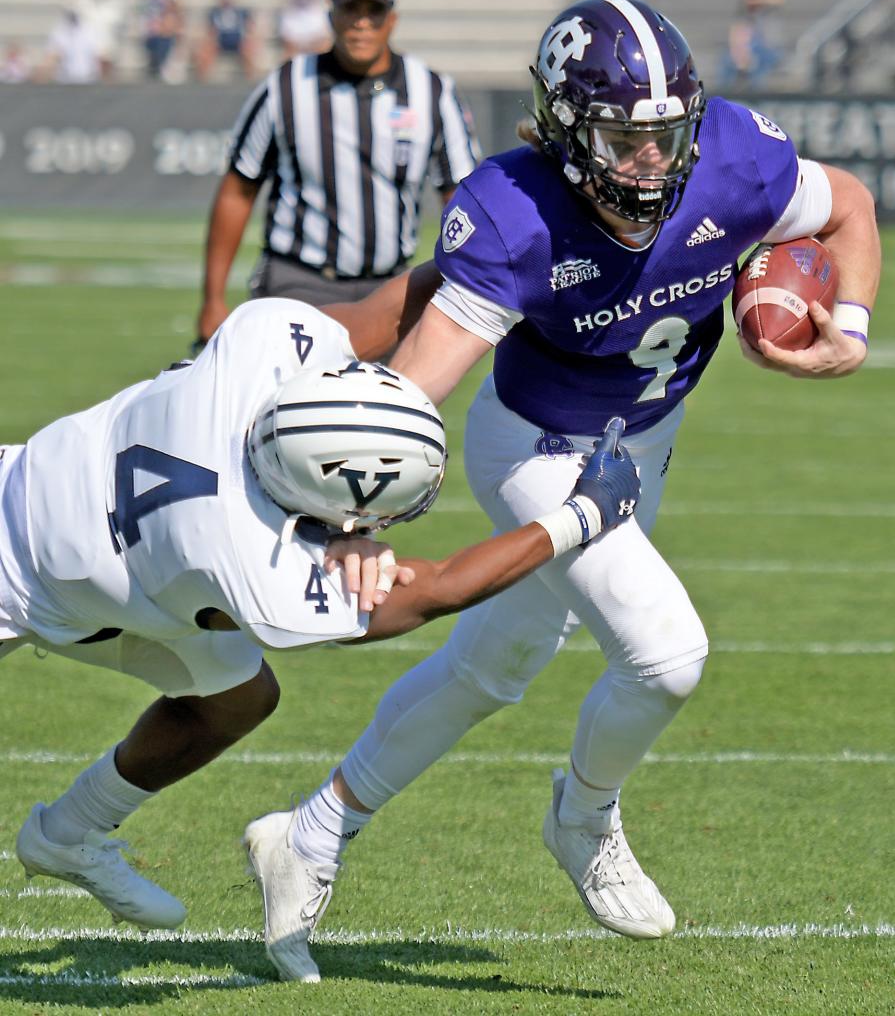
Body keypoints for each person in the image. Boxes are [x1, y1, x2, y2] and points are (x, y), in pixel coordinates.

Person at [243, 0, 881, 980]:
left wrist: (853, 325)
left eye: (664, 137)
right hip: (536, 448)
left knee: (493, 664)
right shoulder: (513, 209)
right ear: (565, 127)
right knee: (668, 655)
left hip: (644, 448)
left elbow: (848, 207)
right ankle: (584, 816)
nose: (650, 163)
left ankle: (312, 830)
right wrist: (348, 514)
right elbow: (418, 384)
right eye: (624, 138)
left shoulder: (736, 159)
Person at [1, 276, 640, 933]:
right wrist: (581, 516)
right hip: (27, 576)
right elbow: (436, 588)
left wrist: (490, 258)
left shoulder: (258, 344)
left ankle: (69, 833)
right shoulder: (246, 561)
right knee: (227, 671)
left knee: (238, 695)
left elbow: (384, 311)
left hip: (67, 523)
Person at [194, 0, 480, 348]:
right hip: (298, 282)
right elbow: (238, 190)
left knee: (387, 406)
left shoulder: (432, 92)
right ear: (331, 17)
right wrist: (212, 299)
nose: (361, 23)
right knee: (283, 406)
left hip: (388, 286)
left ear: (391, 20)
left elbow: (462, 198)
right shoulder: (285, 87)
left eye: (373, 12)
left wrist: (471, 291)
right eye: (351, 10)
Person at [195, 0, 260, 83]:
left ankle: (251, 80)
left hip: (238, 41)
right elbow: (210, 30)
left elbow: (250, 27)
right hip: (220, 41)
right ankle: (202, 80)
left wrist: (250, 39)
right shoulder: (214, 13)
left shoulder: (242, 12)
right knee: (206, 49)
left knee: (248, 48)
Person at [69, 0, 126, 82]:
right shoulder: (85, 2)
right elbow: (72, 6)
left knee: (106, 60)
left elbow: (118, 23)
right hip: (90, 42)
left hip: (107, 40)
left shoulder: (114, 4)